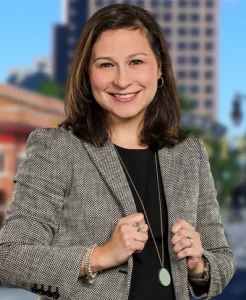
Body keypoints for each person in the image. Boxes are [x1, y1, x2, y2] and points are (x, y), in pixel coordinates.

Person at [0, 4, 235, 300]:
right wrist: (100, 256)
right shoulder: (57, 149)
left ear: (159, 68)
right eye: (106, 65)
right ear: (87, 73)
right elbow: (9, 258)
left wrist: (199, 265)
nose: (122, 80)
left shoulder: (189, 154)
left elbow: (222, 261)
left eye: (136, 62)